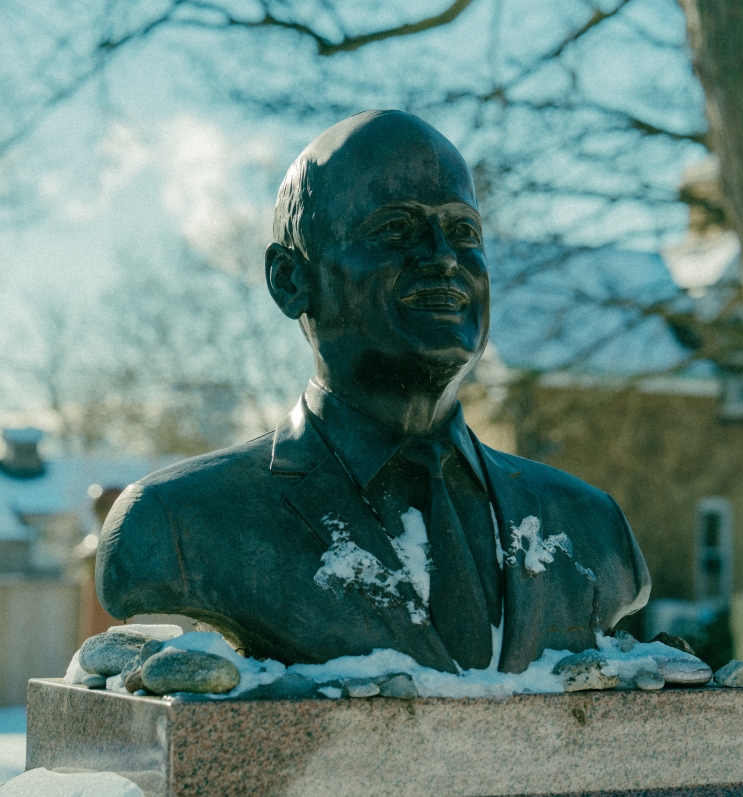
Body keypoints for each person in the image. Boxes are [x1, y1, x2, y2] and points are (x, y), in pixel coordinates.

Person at [96, 110, 650, 674]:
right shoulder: (177, 523)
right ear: (291, 280)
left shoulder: (592, 526)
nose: (442, 256)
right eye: (395, 229)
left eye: (464, 232)